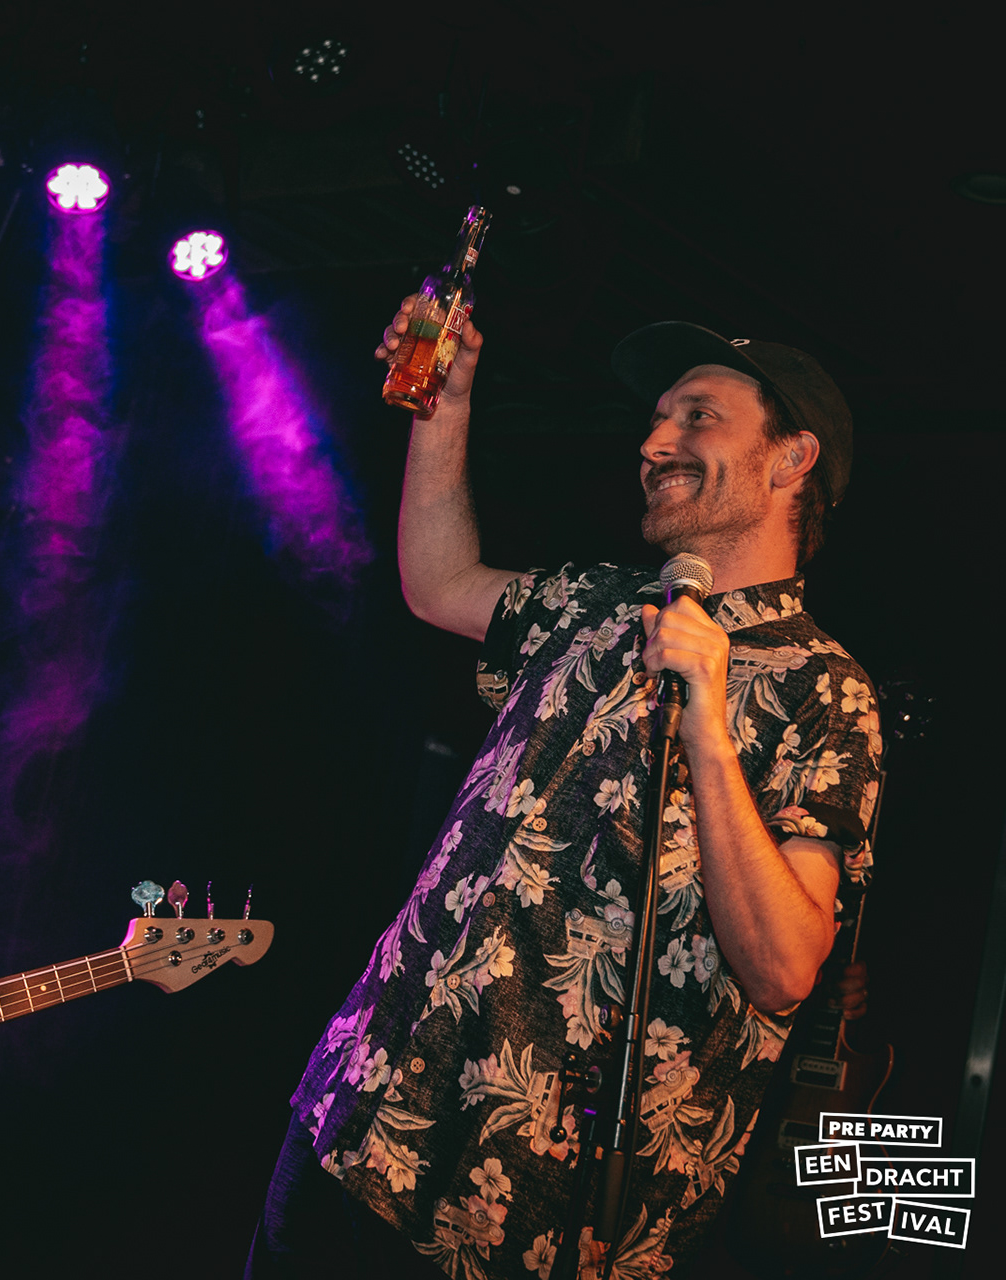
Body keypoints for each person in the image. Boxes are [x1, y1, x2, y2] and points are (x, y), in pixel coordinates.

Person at [248, 299, 882, 1279]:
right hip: (361, 1108)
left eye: (698, 417)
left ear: (791, 458)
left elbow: (785, 968)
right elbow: (438, 582)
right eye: (658, 418)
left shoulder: (825, 688)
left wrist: (709, 729)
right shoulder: (595, 602)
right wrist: (445, 406)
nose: (655, 443)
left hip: (524, 1208)